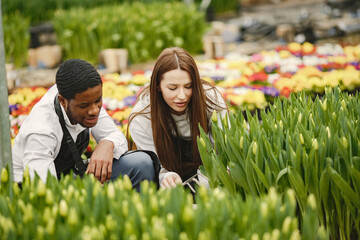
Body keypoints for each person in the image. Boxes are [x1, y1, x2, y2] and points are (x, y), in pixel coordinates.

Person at [12, 59, 158, 191]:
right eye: (84, 106)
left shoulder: (82, 95)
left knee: (141, 163)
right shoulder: (41, 130)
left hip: (70, 175)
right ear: (62, 101)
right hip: (30, 187)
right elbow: (43, 189)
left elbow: (115, 136)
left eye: (98, 100)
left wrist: (107, 143)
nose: (94, 110)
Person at [128, 47, 228, 190]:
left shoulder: (210, 100)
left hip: (211, 176)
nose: (182, 96)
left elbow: (224, 150)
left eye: (188, 86)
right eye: (173, 88)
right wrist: (166, 176)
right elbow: (154, 165)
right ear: (157, 86)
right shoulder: (142, 115)